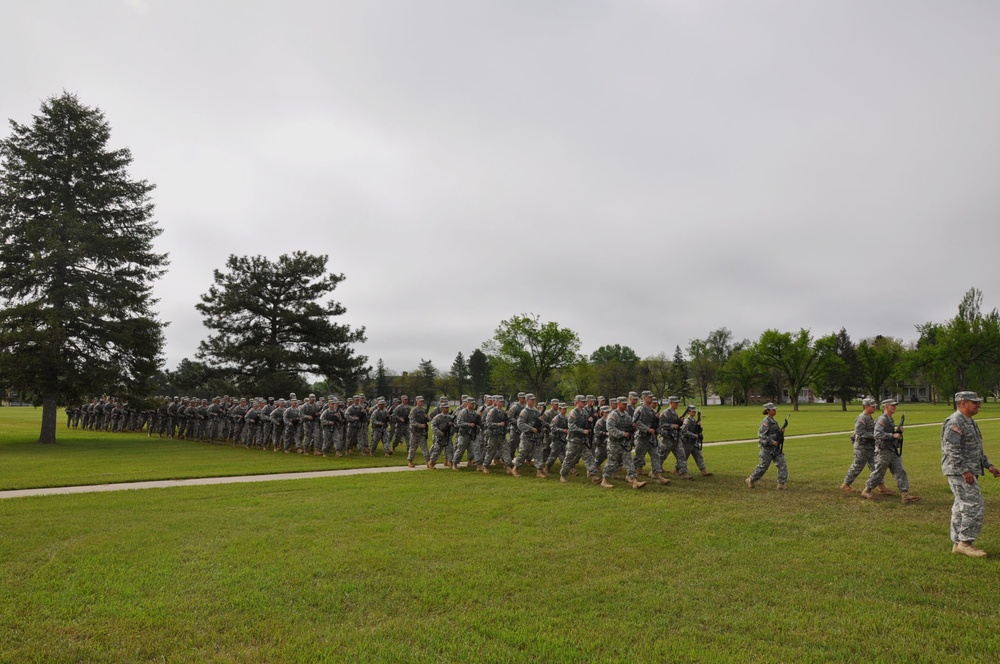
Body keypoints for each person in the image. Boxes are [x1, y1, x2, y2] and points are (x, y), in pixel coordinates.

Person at [942, 391, 1000, 558]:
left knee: (961, 506)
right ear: (963, 403)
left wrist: (989, 466)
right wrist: (964, 470)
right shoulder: (955, 421)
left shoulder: (969, 422)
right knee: (974, 504)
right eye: (974, 402)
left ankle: (958, 542)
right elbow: (951, 449)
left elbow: (975, 449)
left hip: (968, 470)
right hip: (959, 471)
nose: (978, 405)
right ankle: (965, 543)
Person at [860, 399, 920, 503]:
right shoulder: (882, 419)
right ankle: (867, 490)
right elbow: (877, 434)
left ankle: (905, 495)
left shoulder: (890, 419)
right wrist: (892, 435)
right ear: (886, 407)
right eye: (893, 406)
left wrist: (898, 431)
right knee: (879, 473)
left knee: (900, 471)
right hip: (883, 452)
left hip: (892, 450)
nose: (895, 408)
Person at [600, 397, 647, 489]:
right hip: (614, 443)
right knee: (612, 462)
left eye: (626, 404)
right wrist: (622, 434)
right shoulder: (613, 415)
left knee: (629, 461)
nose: (625, 405)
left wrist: (633, 427)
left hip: (625, 443)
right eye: (623, 404)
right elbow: (610, 428)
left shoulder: (627, 415)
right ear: (618, 404)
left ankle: (634, 481)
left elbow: (629, 427)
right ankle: (604, 480)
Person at [841, 397, 882, 493]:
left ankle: (881, 486)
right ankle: (846, 484)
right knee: (857, 466)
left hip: (870, 446)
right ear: (866, 407)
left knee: (875, 466)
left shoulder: (869, 417)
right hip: (862, 447)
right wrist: (874, 436)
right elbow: (860, 433)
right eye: (872, 406)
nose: (874, 408)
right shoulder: (862, 418)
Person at [745, 402, 787, 490]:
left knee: (782, 464)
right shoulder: (765, 422)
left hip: (776, 449)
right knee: (763, 467)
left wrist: (781, 432)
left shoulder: (774, 422)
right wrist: (772, 441)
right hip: (767, 449)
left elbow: (775, 434)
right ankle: (751, 480)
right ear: (767, 411)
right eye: (773, 409)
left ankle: (781, 484)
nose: (775, 411)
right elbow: (761, 435)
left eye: (775, 409)